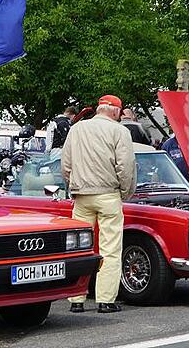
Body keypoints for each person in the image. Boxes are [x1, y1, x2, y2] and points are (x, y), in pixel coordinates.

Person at [63, 95, 135, 314]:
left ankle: (76, 299)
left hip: (81, 195)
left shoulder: (76, 129)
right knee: (111, 249)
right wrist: (125, 192)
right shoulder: (120, 132)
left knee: (78, 248)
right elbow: (126, 166)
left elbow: (66, 164)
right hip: (108, 194)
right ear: (114, 111)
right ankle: (105, 300)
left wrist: (72, 186)